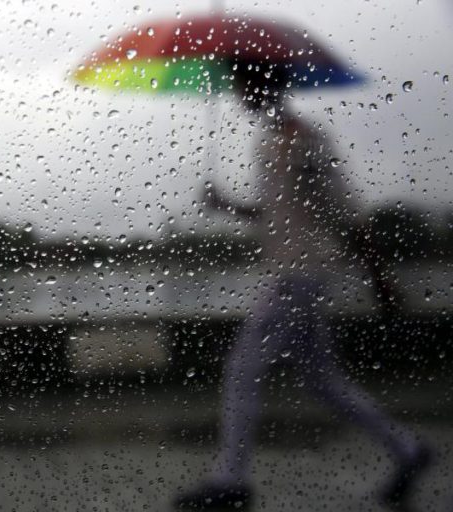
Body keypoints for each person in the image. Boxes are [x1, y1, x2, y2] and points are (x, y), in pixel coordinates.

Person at [174, 61, 431, 510]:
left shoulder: (304, 141)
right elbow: (277, 216)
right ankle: (407, 450)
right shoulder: (270, 141)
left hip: (299, 275)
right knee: (322, 382)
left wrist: (380, 277)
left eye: (246, 84)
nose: (239, 95)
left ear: (269, 85)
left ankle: (231, 480)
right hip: (295, 273)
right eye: (237, 86)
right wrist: (227, 206)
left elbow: (346, 210)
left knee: (241, 370)